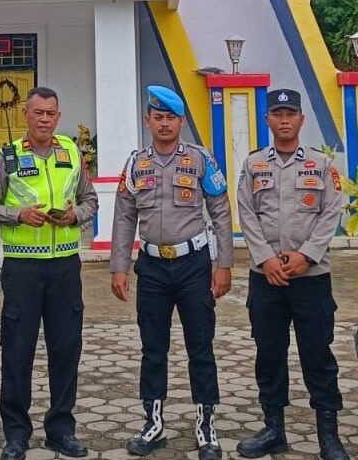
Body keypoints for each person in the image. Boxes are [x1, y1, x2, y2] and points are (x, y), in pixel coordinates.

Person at [109, 85, 234, 460]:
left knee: (201, 346)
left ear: (181, 122)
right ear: (147, 120)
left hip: (194, 265)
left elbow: (221, 210)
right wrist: (119, 267)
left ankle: (206, 425)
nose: (164, 124)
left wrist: (224, 264)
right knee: (153, 347)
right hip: (151, 267)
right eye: (158, 117)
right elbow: (124, 216)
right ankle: (153, 423)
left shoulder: (200, 159)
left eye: (171, 118)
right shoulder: (136, 164)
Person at [0, 86, 99, 460]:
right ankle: (16, 433)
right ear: (26, 115)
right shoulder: (8, 156)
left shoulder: (72, 152)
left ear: (58, 117)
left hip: (64, 266)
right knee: (18, 350)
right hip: (23, 268)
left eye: (51, 113)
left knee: (66, 348)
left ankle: (61, 429)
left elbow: (90, 200)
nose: (44, 119)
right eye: (38, 113)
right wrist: (18, 215)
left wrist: (75, 216)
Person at [234, 89, 349, 460]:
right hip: (266, 278)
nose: (284, 120)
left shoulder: (321, 164)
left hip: (311, 279)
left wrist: (306, 256)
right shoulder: (254, 164)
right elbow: (246, 213)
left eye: (290, 113)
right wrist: (266, 259)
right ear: (267, 119)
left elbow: (331, 213)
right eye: (277, 113)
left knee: (318, 356)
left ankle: (329, 436)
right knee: (269, 354)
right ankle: (274, 430)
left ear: (301, 119)